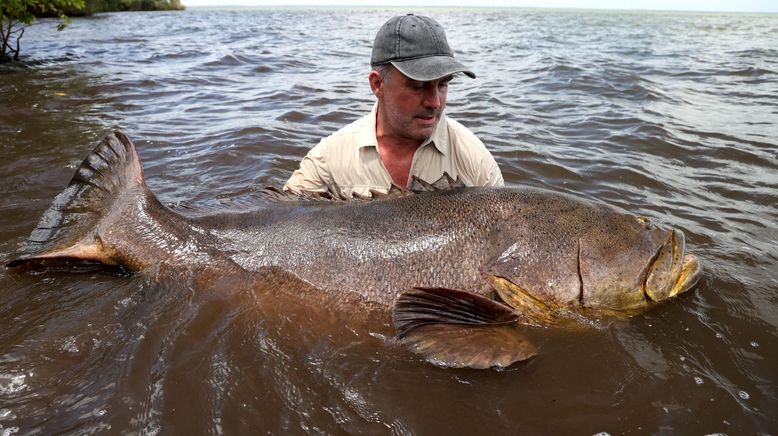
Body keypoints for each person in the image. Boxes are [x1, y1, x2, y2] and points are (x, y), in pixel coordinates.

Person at [284, 13, 503, 199]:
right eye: (418, 86)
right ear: (378, 84)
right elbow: (279, 219)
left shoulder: (475, 159)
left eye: (443, 84)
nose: (434, 102)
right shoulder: (328, 159)